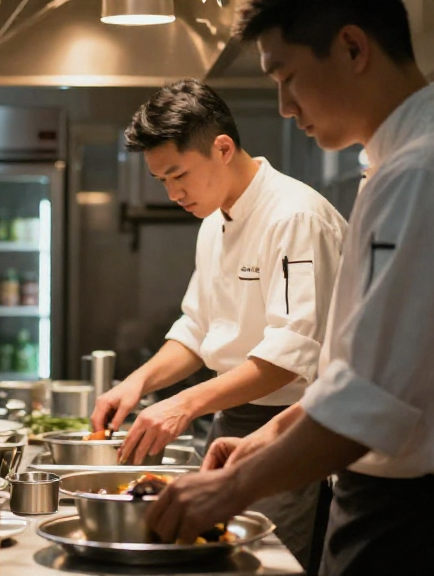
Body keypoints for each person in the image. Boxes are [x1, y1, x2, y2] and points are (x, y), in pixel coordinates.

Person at [147, 2, 434, 575]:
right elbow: (357, 373)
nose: (285, 107)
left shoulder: (428, 172)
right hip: (401, 516)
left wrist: (231, 487)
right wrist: (267, 440)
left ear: (353, 48)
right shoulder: (403, 165)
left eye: (287, 77)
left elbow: (371, 402)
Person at [91, 78, 346, 568]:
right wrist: (137, 383)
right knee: (213, 557)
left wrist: (183, 404)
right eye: (162, 181)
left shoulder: (295, 216)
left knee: (262, 563)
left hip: (289, 430)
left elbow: (289, 359)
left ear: (223, 148)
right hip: (231, 419)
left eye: (178, 175)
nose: (172, 193)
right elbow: (195, 330)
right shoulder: (213, 222)